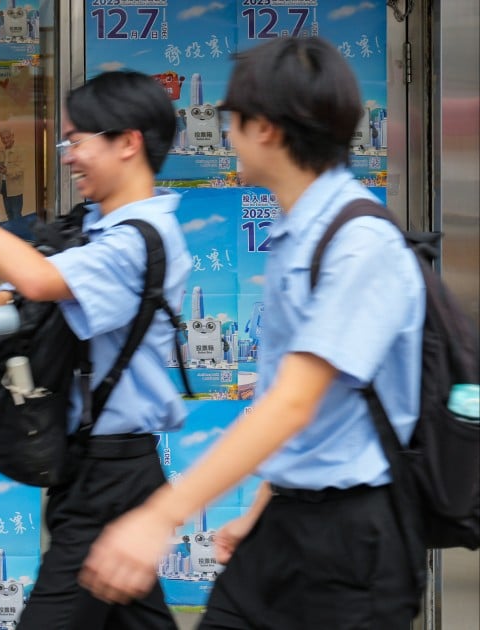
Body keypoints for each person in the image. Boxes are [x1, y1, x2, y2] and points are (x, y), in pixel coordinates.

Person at [79, 37, 427, 630]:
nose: (225, 134)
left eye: (232, 120)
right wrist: (262, 507)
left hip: (354, 543)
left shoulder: (359, 244)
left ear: (265, 129)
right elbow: (320, 415)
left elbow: (294, 403)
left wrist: (160, 515)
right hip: (287, 523)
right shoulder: (301, 235)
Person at [0, 70, 188, 629]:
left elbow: (44, 279)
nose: (69, 157)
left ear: (128, 142)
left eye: (78, 141)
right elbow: (38, 284)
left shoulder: (138, 240)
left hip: (113, 473)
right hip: (93, 466)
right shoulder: (97, 227)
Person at [0, 127, 25, 222]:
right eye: (3, 138)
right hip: (4, 188)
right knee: (9, 214)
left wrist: (7, 171)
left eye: (7, 137)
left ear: (12, 136)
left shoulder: (19, 150)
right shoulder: (0, 150)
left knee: (16, 215)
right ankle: (13, 234)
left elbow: (20, 170)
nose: (5, 140)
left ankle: (19, 235)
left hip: (15, 189)